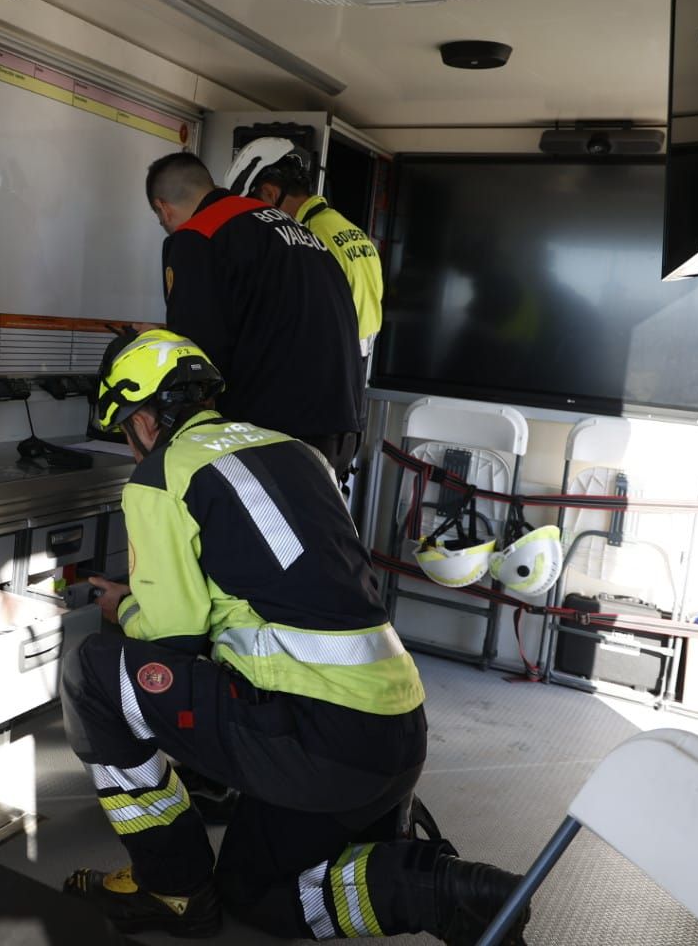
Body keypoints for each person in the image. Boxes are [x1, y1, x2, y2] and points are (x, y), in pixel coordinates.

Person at [60, 328, 530, 943]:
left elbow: (172, 638)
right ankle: (438, 888)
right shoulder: (296, 451)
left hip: (315, 740)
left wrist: (124, 609)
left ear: (145, 420)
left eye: (125, 431)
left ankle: (171, 886)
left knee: (92, 672)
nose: (132, 447)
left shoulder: (162, 474)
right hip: (395, 736)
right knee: (254, 895)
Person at [148, 151, 363, 482]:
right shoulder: (293, 229)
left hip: (273, 437)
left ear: (163, 208)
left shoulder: (198, 236)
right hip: (336, 429)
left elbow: (197, 358)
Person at [227, 137, 383, 481]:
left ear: (269, 194)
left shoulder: (306, 235)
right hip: (350, 394)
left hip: (317, 398)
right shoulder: (349, 230)